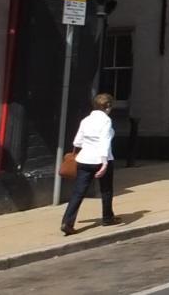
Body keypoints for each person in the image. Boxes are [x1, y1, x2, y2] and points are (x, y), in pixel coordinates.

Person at [61, 93, 119, 235]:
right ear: (108, 106)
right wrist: (104, 163)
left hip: (84, 159)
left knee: (78, 192)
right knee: (106, 190)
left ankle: (67, 222)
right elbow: (104, 142)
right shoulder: (106, 121)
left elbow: (77, 142)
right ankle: (107, 218)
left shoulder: (86, 120)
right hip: (101, 160)